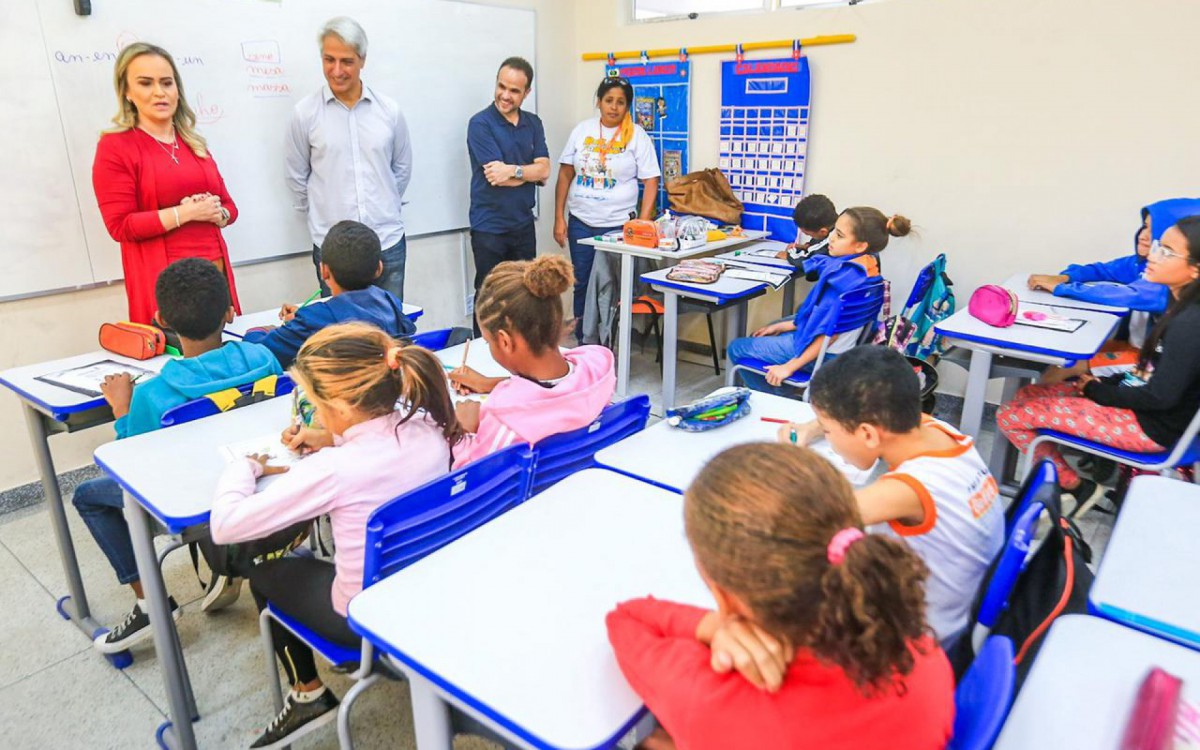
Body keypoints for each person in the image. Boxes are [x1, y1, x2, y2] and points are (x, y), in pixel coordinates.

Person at [606, 443, 954, 750]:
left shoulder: (712, 700)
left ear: (726, 597)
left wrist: (715, 625)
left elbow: (626, 619)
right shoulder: (922, 652)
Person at [211, 323, 461, 748]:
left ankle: (307, 693)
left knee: (266, 569)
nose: (311, 407)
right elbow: (373, 445)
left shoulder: (334, 471)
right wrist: (329, 439)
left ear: (341, 406)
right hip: (430, 589)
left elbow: (226, 525)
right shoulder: (427, 423)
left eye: (313, 400)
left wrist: (245, 467)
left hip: (364, 620)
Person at [74, 259, 282, 654]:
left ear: (161, 320)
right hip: (260, 480)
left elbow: (131, 465)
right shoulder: (263, 359)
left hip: (193, 497)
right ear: (230, 312)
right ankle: (225, 557)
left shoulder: (155, 394)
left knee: (87, 495)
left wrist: (122, 410)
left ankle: (148, 603)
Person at [777, 346, 1004, 644]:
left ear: (868, 433)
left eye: (830, 433)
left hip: (925, 636)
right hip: (963, 604)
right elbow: (860, 413)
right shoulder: (936, 430)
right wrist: (813, 427)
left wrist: (790, 459)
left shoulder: (907, 489)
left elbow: (810, 517)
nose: (829, 440)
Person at [998, 215, 1200, 514]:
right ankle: (1069, 483)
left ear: (1195, 269)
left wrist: (1098, 391)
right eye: (1157, 245)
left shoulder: (1190, 322)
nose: (1153, 255)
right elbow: (1153, 373)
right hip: (1144, 409)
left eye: (1167, 252)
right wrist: (1105, 385)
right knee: (1028, 396)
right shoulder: (1178, 301)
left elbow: (1160, 396)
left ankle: (1076, 488)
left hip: (1151, 427)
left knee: (1010, 416)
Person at [93, 43, 241, 324]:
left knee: (226, 358)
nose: (159, 92)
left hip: (215, 278)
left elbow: (229, 206)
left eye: (167, 83)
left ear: (177, 89)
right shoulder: (115, 147)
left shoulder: (193, 143)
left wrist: (216, 213)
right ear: (127, 91)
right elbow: (120, 225)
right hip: (167, 286)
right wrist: (184, 214)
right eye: (146, 83)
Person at [285, 17, 412, 302]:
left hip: (386, 243)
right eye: (329, 60)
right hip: (333, 251)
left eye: (347, 61)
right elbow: (296, 177)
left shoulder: (389, 112)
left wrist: (383, 203)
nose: (337, 70)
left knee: (390, 335)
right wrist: (323, 215)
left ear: (363, 60)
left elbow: (400, 171)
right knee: (341, 341)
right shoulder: (305, 114)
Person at [448, 255, 615, 468]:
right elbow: (552, 388)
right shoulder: (597, 367)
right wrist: (490, 383)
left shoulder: (505, 416)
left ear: (504, 341)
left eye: (489, 342)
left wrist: (461, 431)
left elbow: (473, 479)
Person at [728, 207, 908, 388]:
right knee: (778, 325)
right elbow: (824, 321)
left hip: (826, 356)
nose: (831, 238)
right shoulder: (869, 270)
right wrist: (784, 325)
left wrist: (789, 367)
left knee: (737, 348)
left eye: (839, 235)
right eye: (833, 231)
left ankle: (776, 400)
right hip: (847, 350)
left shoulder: (840, 282)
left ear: (860, 245)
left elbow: (829, 336)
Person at [1031, 198, 1198, 384]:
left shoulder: (1165, 285)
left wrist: (1063, 288)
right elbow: (1104, 270)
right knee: (1066, 351)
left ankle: (1031, 407)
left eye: (1154, 232)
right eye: (1144, 226)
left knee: (1065, 366)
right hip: (1133, 348)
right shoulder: (1141, 264)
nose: (1143, 236)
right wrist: (1066, 277)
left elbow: (1126, 294)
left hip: (1148, 360)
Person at [554, 76, 661, 340]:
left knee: (611, 287)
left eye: (620, 103)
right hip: (581, 221)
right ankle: (583, 338)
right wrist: (559, 217)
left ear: (628, 107)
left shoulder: (636, 135)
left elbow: (651, 181)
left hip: (618, 226)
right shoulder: (582, 130)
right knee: (582, 283)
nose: (614, 107)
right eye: (609, 100)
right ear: (599, 102)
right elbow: (566, 174)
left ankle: (608, 341)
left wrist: (642, 224)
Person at [244, 220, 415, 368]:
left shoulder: (313, 321)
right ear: (379, 268)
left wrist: (266, 329)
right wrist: (300, 319)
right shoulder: (390, 302)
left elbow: (259, 352)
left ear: (324, 271)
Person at [467, 57, 550, 335]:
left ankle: (521, 360)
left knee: (527, 296)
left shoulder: (533, 123)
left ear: (526, 93)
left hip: (523, 225)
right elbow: (496, 177)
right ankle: (483, 357)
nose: (505, 95)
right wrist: (529, 173)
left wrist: (514, 171)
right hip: (489, 227)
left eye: (514, 90)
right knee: (490, 298)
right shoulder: (480, 124)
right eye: (501, 86)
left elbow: (545, 169)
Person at [779, 193, 838, 266]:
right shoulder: (835, 225)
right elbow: (819, 243)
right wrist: (806, 246)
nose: (810, 236)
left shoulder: (832, 242)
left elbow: (808, 262)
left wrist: (789, 254)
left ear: (823, 232)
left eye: (808, 234)